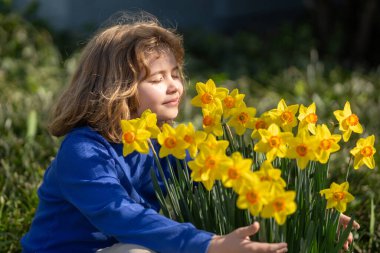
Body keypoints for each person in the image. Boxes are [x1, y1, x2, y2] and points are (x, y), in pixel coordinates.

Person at [21, 11, 357, 253]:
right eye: (156, 79)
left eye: (175, 74)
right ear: (116, 89)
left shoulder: (168, 142)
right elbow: (122, 217)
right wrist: (210, 244)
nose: (174, 87)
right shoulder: (85, 152)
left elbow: (229, 187)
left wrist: (311, 216)